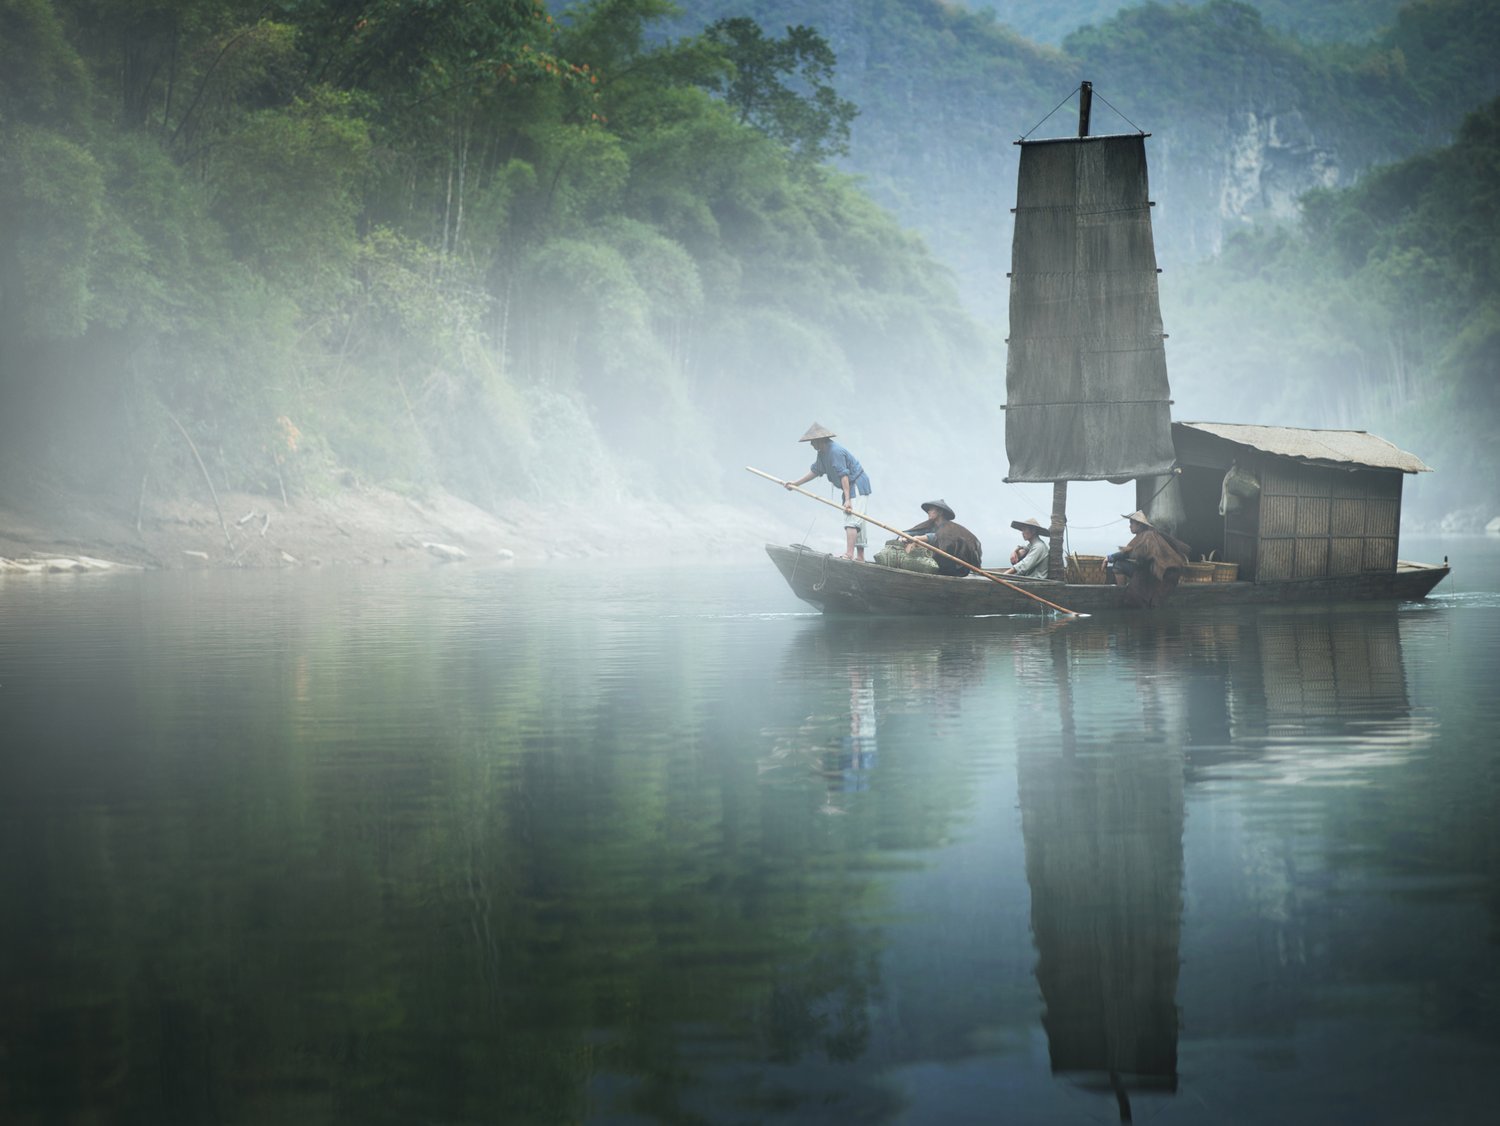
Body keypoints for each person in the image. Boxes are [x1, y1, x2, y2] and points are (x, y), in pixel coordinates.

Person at [784, 422, 873, 561]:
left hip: (856, 484)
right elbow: (816, 470)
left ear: (820, 440)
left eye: (813, 441)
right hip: (849, 487)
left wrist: (848, 500)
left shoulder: (834, 452)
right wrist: (796, 484)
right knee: (857, 520)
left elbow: (844, 475)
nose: (811, 444)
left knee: (853, 518)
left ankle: (850, 554)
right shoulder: (822, 454)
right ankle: (859, 556)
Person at [1106, 510, 1191, 606]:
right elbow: (1132, 553)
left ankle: (1120, 591)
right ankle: (1123, 588)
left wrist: (1109, 558)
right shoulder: (1143, 536)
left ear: (1140, 525)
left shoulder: (1148, 536)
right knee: (1120, 563)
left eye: (1132, 523)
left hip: (1152, 573)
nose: (1130, 526)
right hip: (1149, 571)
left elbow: (1128, 553)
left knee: (1118, 565)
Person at [902, 499, 982, 576]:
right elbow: (912, 532)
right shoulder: (929, 525)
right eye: (928, 510)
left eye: (931, 510)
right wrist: (904, 536)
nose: (928, 512)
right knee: (910, 543)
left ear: (940, 512)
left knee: (916, 541)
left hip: (955, 568)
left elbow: (940, 538)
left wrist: (919, 538)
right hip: (939, 564)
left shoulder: (951, 528)